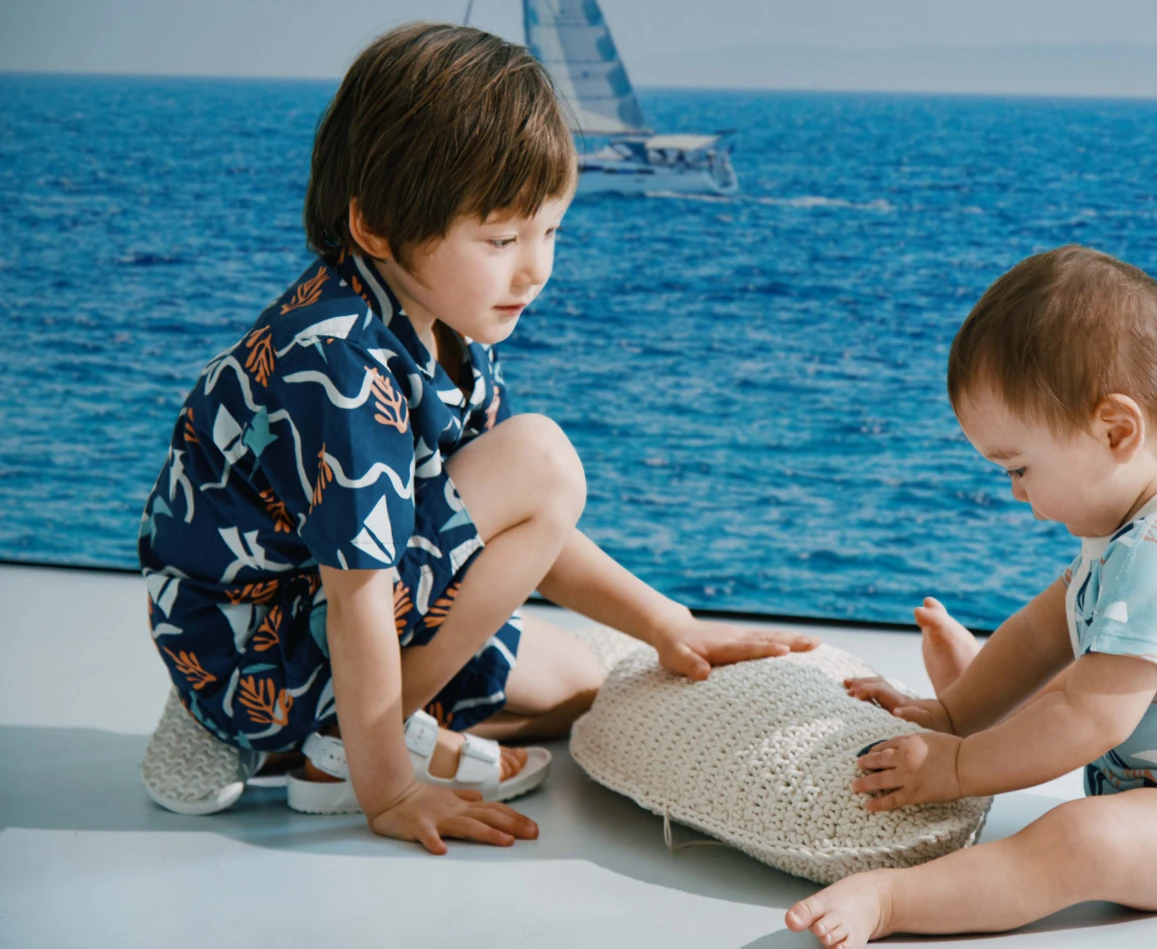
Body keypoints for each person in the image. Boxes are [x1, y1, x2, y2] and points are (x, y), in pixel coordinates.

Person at [136, 22, 814, 853]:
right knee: (542, 457)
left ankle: (326, 732)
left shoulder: (447, 319)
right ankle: (340, 752)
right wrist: (391, 792)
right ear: (377, 227)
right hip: (262, 648)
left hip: (316, 617)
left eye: (550, 231)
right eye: (501, 240)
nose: (536, 269)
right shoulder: (337, 363)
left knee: (578, 684)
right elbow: (363, 591)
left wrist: (667, 623)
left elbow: (522, 521)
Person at [786, 245, 1157, 947]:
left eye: (1019, 467)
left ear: (1116, 430)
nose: (1015, 493)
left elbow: (1088, 716)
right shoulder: (1143, 519)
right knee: (1067, 708)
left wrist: (956, 765)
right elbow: (1047, 628)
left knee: (1082, 842)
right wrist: (956, 714)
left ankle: (894, 899)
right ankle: (974, 709)